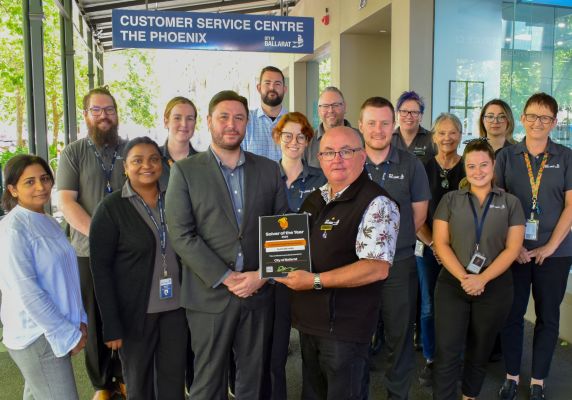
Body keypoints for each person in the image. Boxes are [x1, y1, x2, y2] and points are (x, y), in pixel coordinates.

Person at [165, 90, 289, 399]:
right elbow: (181, 234)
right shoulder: (185, 171)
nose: (231, 125)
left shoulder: (269, 170)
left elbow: (284, 227)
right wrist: (226, 277)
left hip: (257, 294)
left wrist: (262, 274)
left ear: (247, 123)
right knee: (208, 383)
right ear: (209, 122)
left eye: (238, 118)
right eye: (223, 117)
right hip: (209, 296)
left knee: (252, 380)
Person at [277, 126, 400, 399]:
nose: (337, 159)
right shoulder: (317, 197)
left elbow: (376, 268)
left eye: (346, 151)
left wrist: (315, 281)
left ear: (362, 156)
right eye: (329, 152)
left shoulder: (378, 203)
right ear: (319, 159)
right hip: (310, 322)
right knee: (313, 393)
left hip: (344, 327)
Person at [89, 137, 187, 400]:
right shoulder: (110, 209)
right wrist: (110, 324)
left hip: (176, 309)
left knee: (173, 382)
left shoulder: (175, 200)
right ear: (125, 167)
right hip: (134, 315)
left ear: (162, 164)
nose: (147, 165)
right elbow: (100, 270)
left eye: (154, 159)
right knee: (139, 385)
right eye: (137, 160)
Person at [431, 138, 525, 400]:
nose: (478, 171)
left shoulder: (511, 203)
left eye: (484, 165)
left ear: (493, 165)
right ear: (464, 167)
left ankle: (469, 395)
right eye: (471, 166)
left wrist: (481, 278)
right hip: (453, 283)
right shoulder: (450, 200)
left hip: (494, 285)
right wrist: (464, 277)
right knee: (447, 350)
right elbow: (441, 243)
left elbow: (512, 248)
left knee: (480, 348)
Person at [496, 92, 572, 400]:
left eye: (544, 118)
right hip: (515, 252)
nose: (537, 123)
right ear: (523, 118)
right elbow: (497, 205)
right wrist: (515, 248)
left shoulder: (566, 156)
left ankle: (538, 380)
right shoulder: (506, 156)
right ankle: (511, 376)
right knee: (512, 315)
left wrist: (550, 247)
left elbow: (570, 207)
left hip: (556, 253)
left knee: (548, 317)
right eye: (531, 116)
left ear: (554, 122)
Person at [57, 86, 126, 400]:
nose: (104, 116)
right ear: (86, 115)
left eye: (109, 109)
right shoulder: (73, 153)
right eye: (96, 110)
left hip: (128, 254)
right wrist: (100, 239)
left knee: (129, 313)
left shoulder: (130, 150)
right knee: (95, 318)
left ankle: (126, 375)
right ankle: (102, 384)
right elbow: (67, 203)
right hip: (88, 253)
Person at [360, 96, 431, 400]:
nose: (378, 129)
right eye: (372, 123)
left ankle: (396, 395)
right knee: (357, 337)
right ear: (361, 125)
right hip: (354, 265)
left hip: (398, 264)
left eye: (385, 123)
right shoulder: (347, 160)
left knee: (399, 336)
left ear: (394, 125)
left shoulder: (411, 164)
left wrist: (392, 244)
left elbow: (419, 215)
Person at [0, 154, 87, 400]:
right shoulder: (12, 231)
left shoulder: (47, 220)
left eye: (45, 178)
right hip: (38, 336)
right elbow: (28, 293)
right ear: (12, 189)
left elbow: (66, 277)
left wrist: (79, 319)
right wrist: (67, 334)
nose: (40, 187)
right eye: (29, 182)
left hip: (54, 329)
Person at [268, 111, 326, 400]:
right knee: (275, 350)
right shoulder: (263, 175)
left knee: (312, 351)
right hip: (274, 277)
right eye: (287, 135)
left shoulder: (321, 178)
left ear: (308, 141)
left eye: (300, 137)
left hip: (310, 272)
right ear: (278, 137)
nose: (293, 141)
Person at [415, 113, 465, 386]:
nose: (447, 138)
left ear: (460, 135)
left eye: (453, 132)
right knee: (428, 307)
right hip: (429, 248)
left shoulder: (470, 167)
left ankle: (454, 359)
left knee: (458, 307)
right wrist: (435, 244)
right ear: (433, 137)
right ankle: (432, 359)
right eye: (442, 133)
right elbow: (415, 215)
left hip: (463, 250)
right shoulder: (422, 168)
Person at [305, 87, 360, 168]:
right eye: (325, 106)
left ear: (344, 107)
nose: (330, 110)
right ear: (319, 110)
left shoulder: (361, 138)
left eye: (335, 105)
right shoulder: (308, 143)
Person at [242, 66, 288, 161]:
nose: (272, 88)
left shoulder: (295, 122)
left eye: (277, 84)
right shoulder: (246, 121)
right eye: (267, 83)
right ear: (259, 88)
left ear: (285, 89)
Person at [391, 91, 436, 165]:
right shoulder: (388, 139)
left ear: (421, 116)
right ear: (397, 114)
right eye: (404, 111)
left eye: (414, 112)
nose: (409, 116)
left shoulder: (433, 139)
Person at [160, 96, 199, 172]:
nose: (184, 124)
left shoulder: (205, 163)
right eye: (177, 118)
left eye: (189, 118)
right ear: (166, 122)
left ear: (195, 123)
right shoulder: (152, 160)